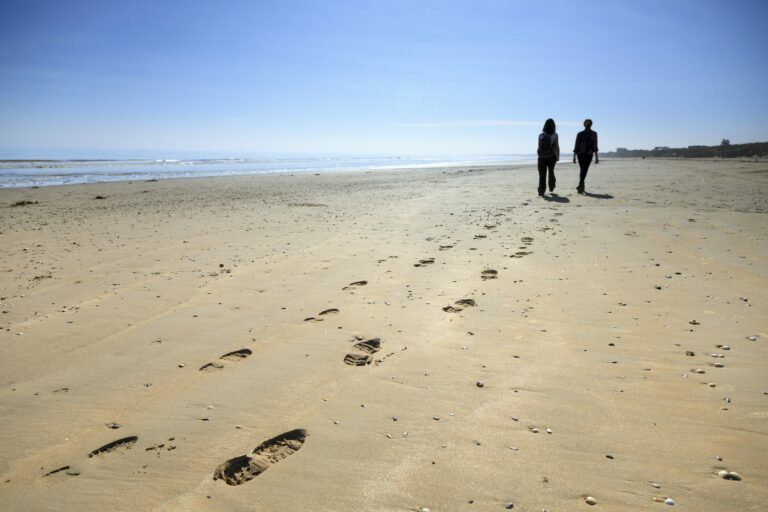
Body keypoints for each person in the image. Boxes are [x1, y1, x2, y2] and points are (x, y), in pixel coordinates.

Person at [573, 119, 599, 194]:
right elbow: (595, 146)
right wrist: (596, 157)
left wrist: (574, 157)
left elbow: (576, 146)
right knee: (584, 169)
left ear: (584, 124)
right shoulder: (594, 133)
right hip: (589, 154)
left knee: (582, 169)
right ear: (591, 125)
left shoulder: (579, 134)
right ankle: (581, 184)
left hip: (580, 154)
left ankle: (581, 185)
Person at [536, 118, 560, 196]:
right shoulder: (555, 135)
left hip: (541, 157)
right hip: (551, 156)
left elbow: (539, 147)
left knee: (542, 174)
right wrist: (558, 156)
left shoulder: (541, 135)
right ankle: (552, 186)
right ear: (553, 126)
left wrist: (540, 154)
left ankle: (541, 190)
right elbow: (556, 146)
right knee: (551, 171)